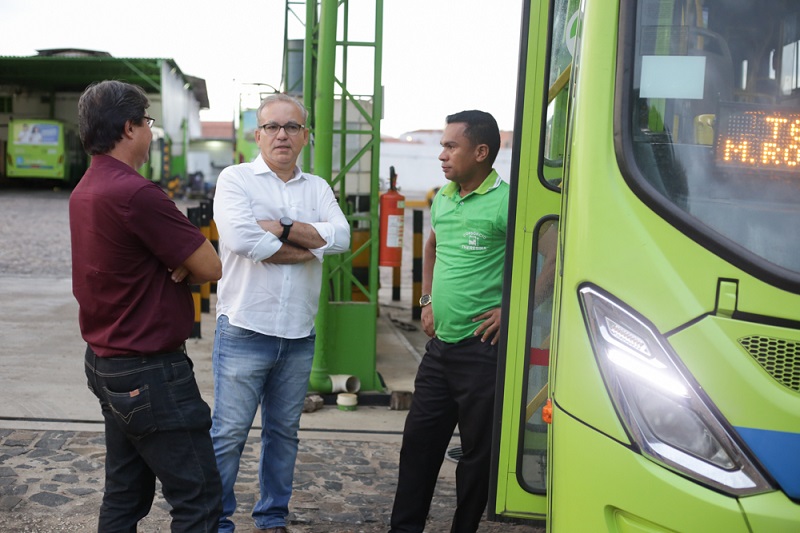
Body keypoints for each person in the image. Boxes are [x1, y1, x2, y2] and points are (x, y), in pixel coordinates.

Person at [70, 80, 223, 531]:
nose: (151, 133)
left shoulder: (87, 187)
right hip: (150, 372)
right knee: (199, 500)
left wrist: (173, 263)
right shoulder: (136, 193)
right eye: (148, 122)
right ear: (129, 127)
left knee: (124, 494)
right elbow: (210, 265)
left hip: (106, 361)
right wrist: (177, 263)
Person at [211, 93, 351, 533]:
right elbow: (242, 241)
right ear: (258, 134)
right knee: (229, 435)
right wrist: (310, 247)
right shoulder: (235, 180)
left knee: (283, 436)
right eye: (272, 126)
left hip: (297, 335)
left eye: (292, 127)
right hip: (244, 330)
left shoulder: (317, 188)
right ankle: (214, 521)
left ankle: (272, 518)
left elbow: (342, 237)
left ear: (305, 136)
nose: (282, 135)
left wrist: (283, 227)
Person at [390, 110, 509, 533]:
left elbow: (549, 254)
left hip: (483, 350)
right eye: (441, 145)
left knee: (477, 454)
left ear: (480, 152)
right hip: (441, 349)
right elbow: (431, 249)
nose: (441, 154)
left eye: (450, 146)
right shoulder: (443, 196)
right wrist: (425, 300)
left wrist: (510, 310)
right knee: (418, 445)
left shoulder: (507, 202)